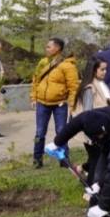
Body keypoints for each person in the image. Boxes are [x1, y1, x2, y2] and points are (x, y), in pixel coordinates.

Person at [71, 57, 110, 217]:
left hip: (102, 136)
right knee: (97, 175)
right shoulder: (90, 88)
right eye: (102, 70)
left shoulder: (100, 84)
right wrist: (95, 136)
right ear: (93, 70)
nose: (105, 72)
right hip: (94, 137)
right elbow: (88, 116)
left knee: (101, 172)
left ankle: (99, 210)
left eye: (105, 69)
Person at [30, 37, 79, 168]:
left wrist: (73, 106)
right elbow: (35, 81)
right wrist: (33, 98)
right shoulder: (43, 62)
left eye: (49, 47)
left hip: (60, 105)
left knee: (61, 132)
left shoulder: (68, 66)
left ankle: (63, 159)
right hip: (42, 103)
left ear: (57, 49)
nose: (46, 49)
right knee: (39, 133)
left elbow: (73, 88)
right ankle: (37, 159)